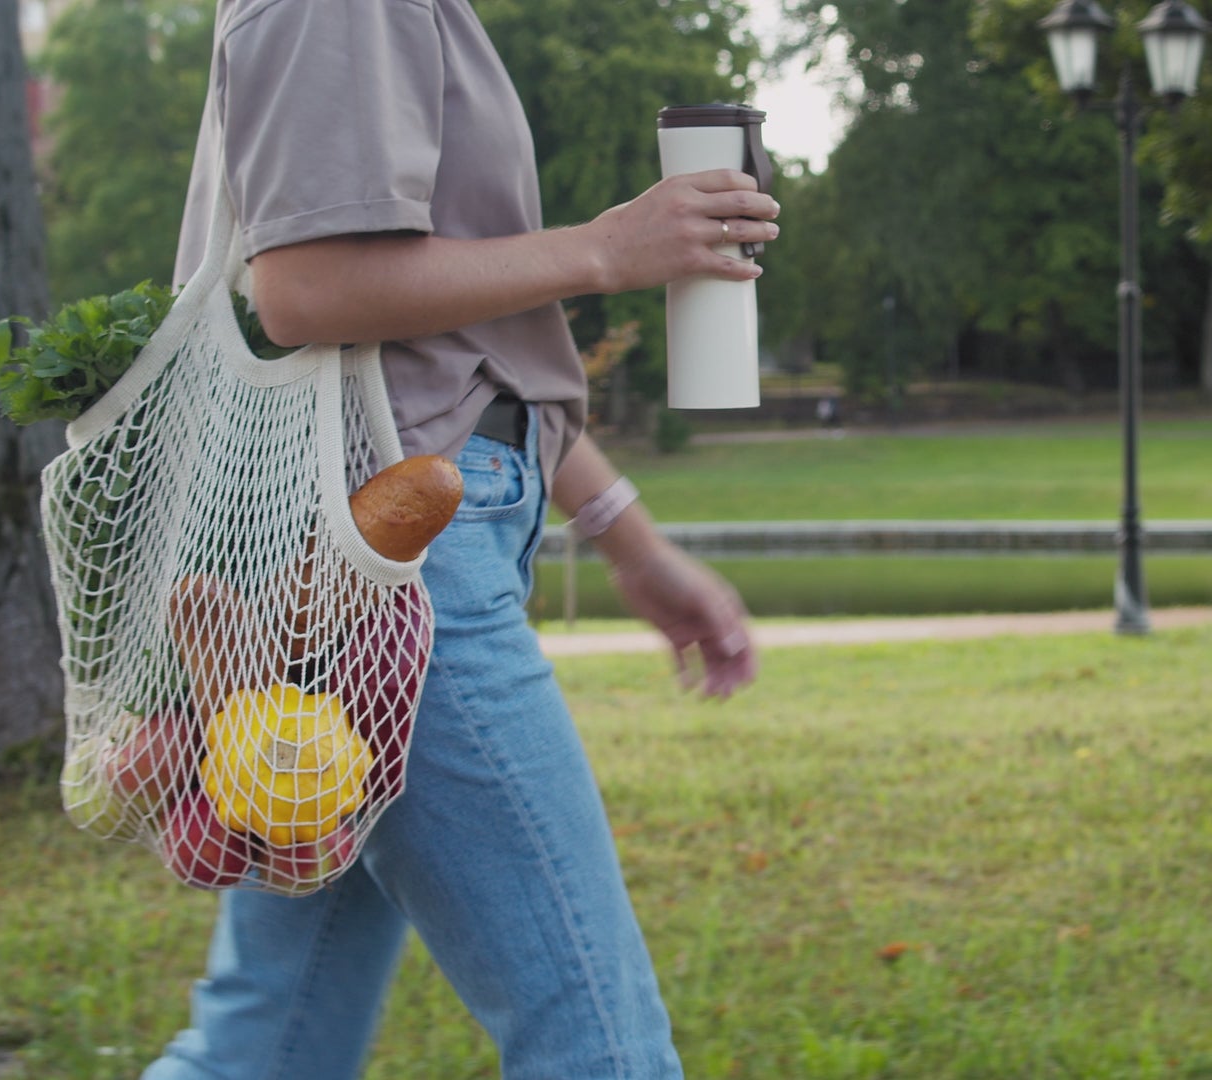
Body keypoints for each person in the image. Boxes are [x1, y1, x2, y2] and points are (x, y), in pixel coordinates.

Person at [143, 0, 774, 1076]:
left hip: (352, 546)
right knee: (600, 1043)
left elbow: (457, 348)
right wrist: (604, 249)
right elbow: (305, 290)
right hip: (387, 561)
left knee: (269, 1044)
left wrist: (624, 534)